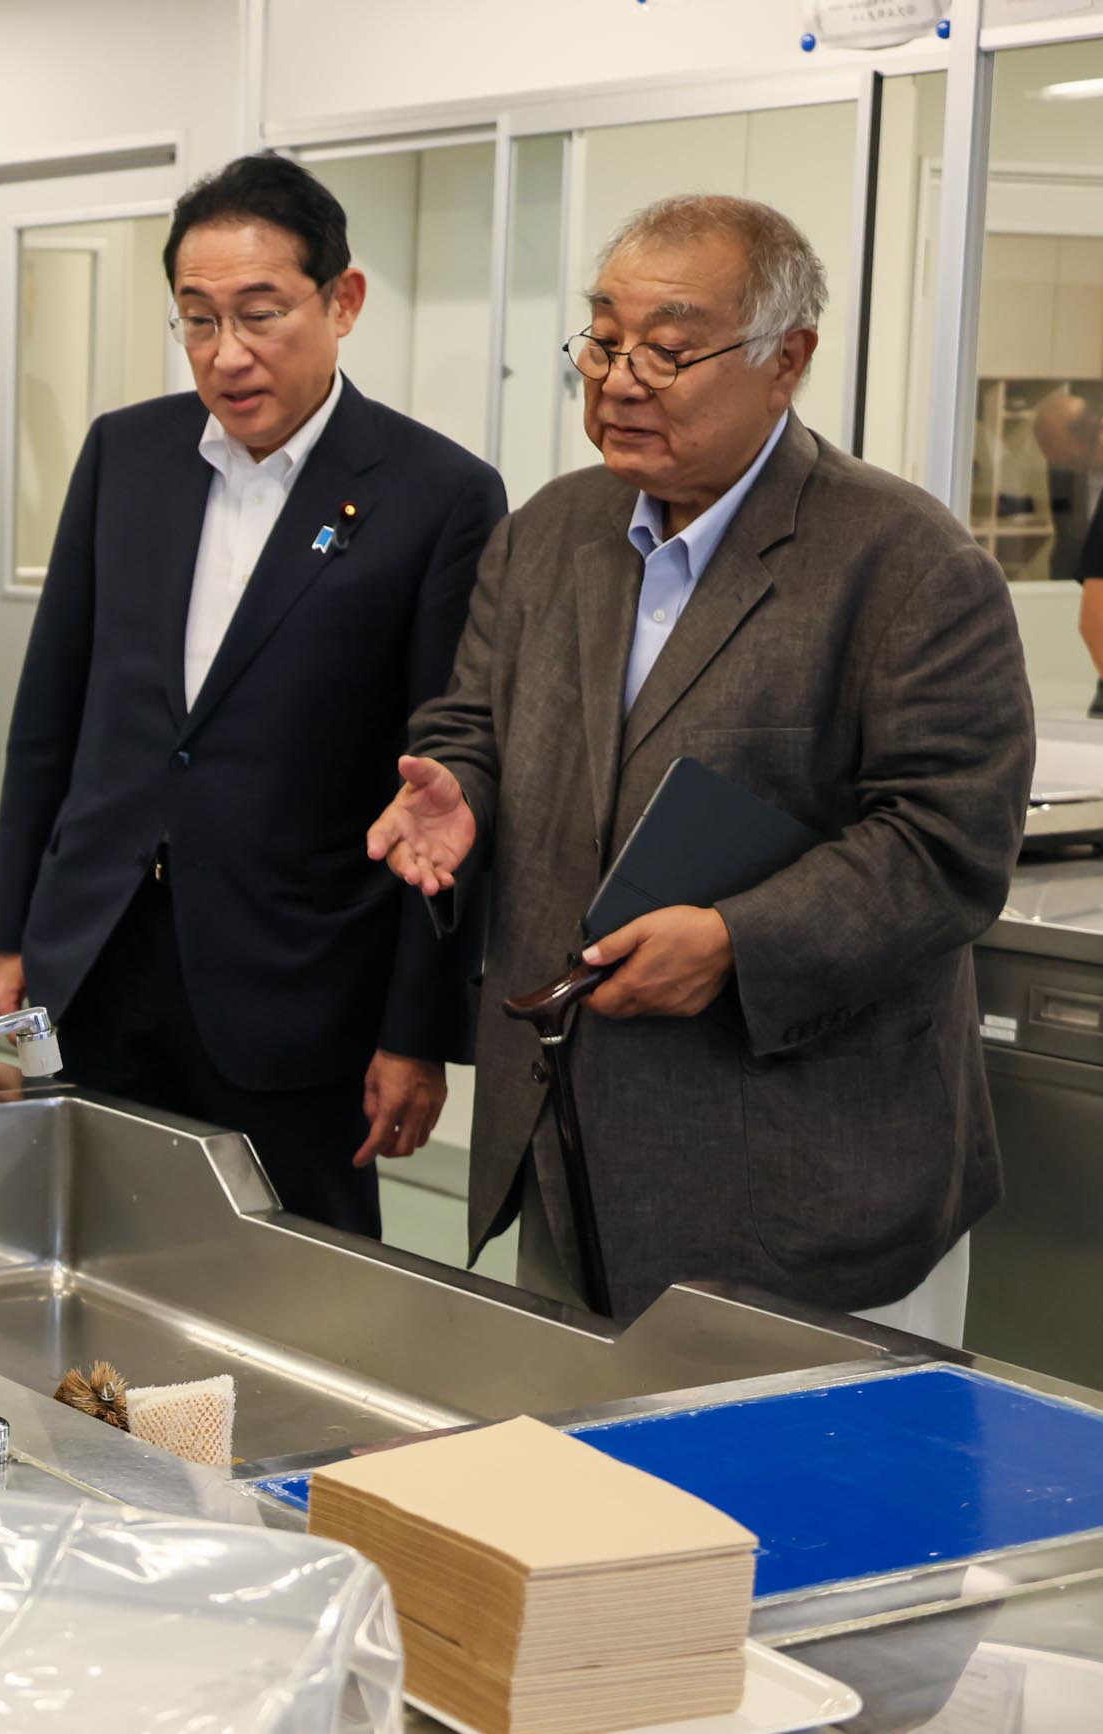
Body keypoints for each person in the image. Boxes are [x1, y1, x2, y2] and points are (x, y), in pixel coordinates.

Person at [368, 195, 1034, 1333]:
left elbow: (944, 845)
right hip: (569, 1155)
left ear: (787, 362)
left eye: (668, 351)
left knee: (808, 1505)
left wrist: (735, 944)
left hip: (802, 1186)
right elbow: (470, 721)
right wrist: (458, 791)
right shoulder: (547, 532)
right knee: (576, 1497)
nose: (619, 378)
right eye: (604, 341)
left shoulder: (906, 563)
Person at [0, 154, 506, 1236]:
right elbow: (53, 716)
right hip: (97, 953)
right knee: (74, 1259)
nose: (227, 355)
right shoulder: (127, 454)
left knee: (291, 1293)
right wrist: (9, 934)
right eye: (197, 319)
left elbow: (446, 779)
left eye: (260, 315)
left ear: (341, 301)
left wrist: (415, 1030)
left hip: (296, 985)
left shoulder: (434, 495)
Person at [1030, 384, 1103, 713]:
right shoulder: (1062, 472)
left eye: (1049, 444)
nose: (1046, 455)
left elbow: (1093, 619)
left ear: (1083, 436)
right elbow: (1067, 539)